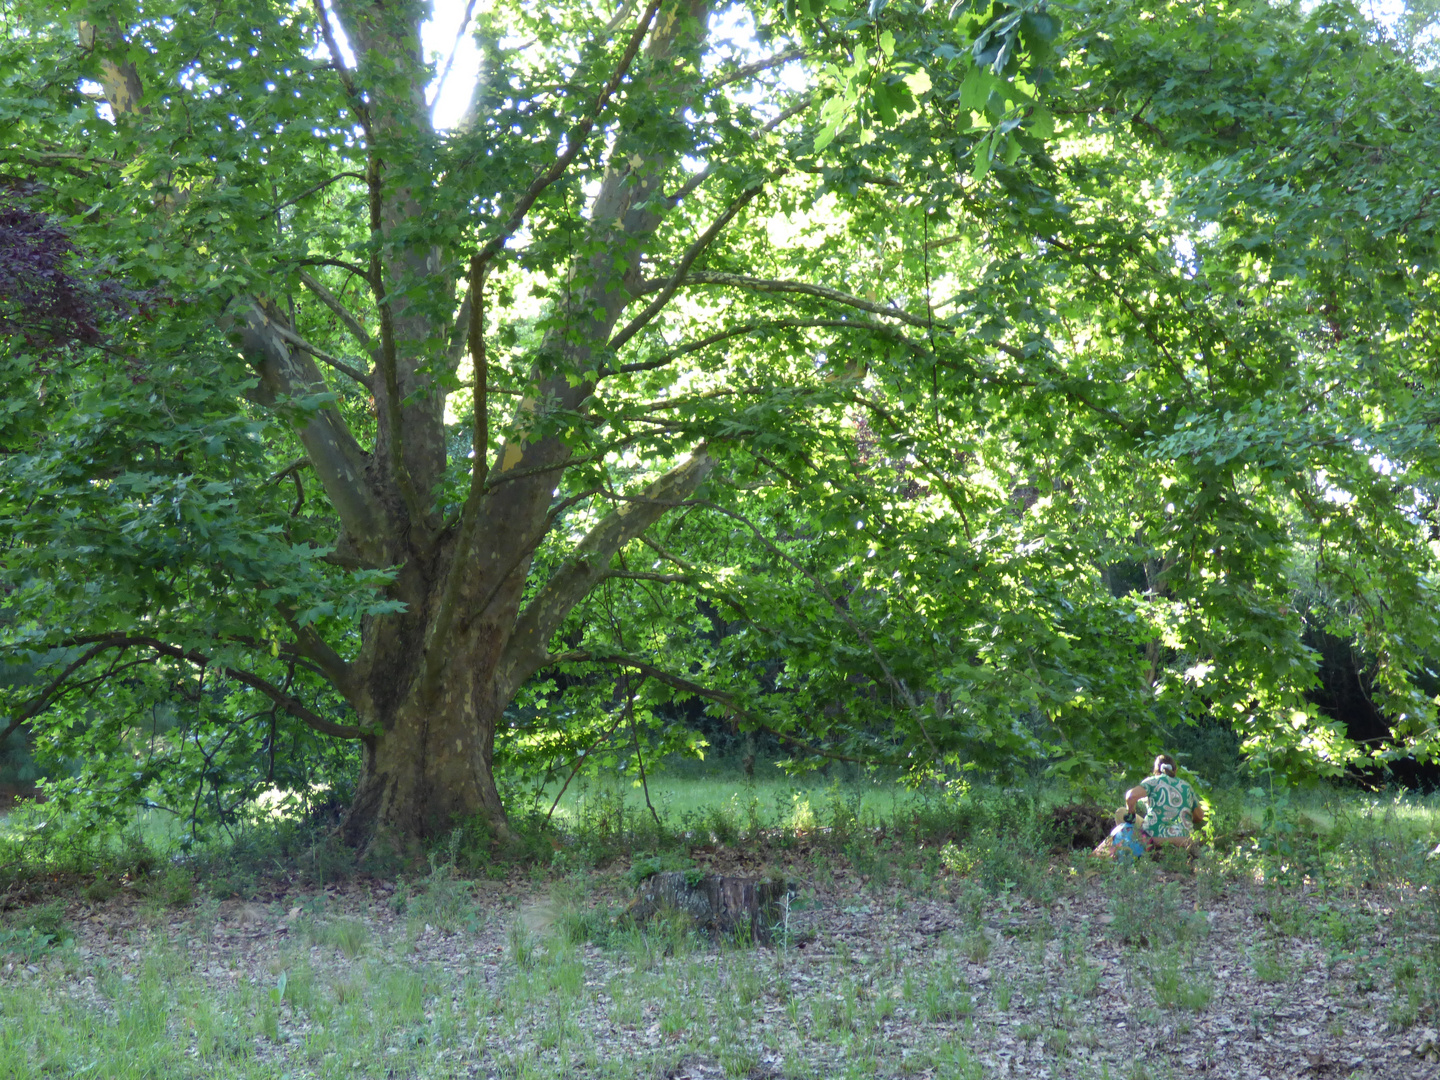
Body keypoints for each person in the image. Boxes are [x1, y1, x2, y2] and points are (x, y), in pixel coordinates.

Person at [1125, 754, 1204, 851]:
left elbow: (1131, 796)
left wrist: (1131, 813)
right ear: (1175, 770)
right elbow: (1200, 816)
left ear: (1155, 771)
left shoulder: (1152, 782)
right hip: (1183, 841)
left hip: (1155, 838)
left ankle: (1126, 855)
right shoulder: (1187, 787)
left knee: (1120, 813)